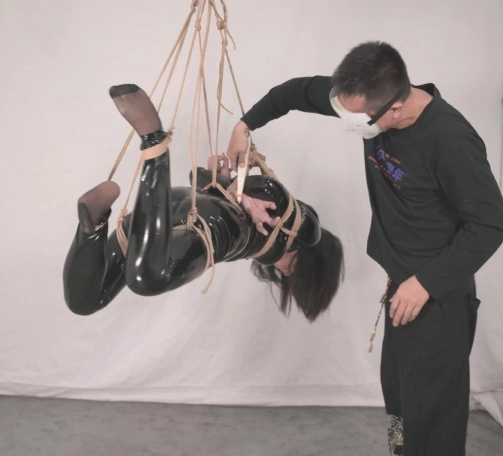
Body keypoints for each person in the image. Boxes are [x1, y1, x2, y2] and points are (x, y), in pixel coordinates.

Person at [225, 41, 503, 455]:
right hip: (401, 289)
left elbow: (491, 223)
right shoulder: (365, 97)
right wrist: (244, 125)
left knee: (432, 421)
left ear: (395, 108)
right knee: (398, 408)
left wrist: (425, 283)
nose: (349, 125)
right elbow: (295, 92)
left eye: (357, 120)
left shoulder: (451, 140)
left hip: (438, 299)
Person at [63, 83, 345, 322]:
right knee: (146, 279)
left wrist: (231, 187)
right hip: (210, 227)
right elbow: (272, 190)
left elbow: (201, 179)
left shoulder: (266, 234)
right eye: (295, 272)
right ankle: (154, 142)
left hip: (175, 207)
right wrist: (242, 193)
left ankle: (94, 226)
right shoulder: (305, 231)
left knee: (85, 301)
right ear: (313, 262)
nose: (286, 273)